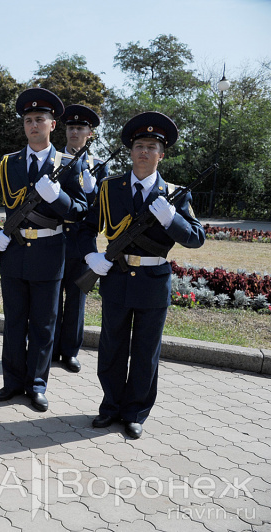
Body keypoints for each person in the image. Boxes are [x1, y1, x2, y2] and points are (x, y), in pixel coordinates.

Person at [78, 111, 205, 439]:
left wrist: (171, 220)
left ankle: (135, 412)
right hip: (117, 277)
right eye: (139, 145)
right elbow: (85, 227)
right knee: (112, 346)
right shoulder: (109, 189)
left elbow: (195, 238)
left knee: (146, 350)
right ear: (130, 151)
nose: (144, 151)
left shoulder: (175, 194)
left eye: (151, 146)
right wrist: (91, 255)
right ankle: (110, 407)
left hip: (152, 281)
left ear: (162, 154)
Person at [0, 87, 87, 412]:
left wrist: (58, 198)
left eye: (40, 119)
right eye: (28, 120)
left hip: (50, 253)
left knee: (43, 323)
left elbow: (80, 211)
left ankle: (37, 384)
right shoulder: (9, 163)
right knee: (14, 322)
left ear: (53, 125)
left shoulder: (68, 164)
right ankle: (12, 383)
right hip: (13, 251)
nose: (33, 125)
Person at [52, 104, 109, 373]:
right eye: (71, 127)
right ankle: (49, 347)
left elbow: (105, 208)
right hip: (54, 237)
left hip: (81, 241)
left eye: (80, 128)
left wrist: (94, 190)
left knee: (76, 298)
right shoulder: (53, 160)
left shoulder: (99, 166)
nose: (74, 131)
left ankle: (70, 351)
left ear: (90, 133)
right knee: (51, 299)